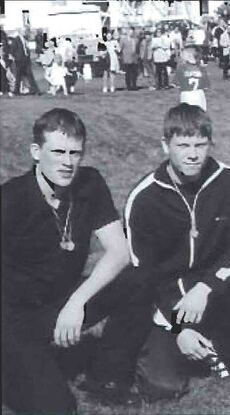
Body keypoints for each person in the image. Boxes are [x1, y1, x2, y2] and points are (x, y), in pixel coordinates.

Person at [1, 108, 151, 413]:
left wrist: (76, 302)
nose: (68, 162)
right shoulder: (10, 199)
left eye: (75, 153)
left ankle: (107, 378)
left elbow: (119, 252)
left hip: (62, 299)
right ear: (36, 152)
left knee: (138, 280)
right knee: (57, 408)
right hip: (14, 316)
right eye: (58, 152)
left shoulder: (89, 183)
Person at [124, 103, 230, 400]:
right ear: (165, 145)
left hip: (212, 288)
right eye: (183, 145)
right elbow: (143, 276)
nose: (192, 154)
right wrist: (179, 328)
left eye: (200, 145)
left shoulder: (227, 180)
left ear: (210, 144)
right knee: (162, 388)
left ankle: (219, 338)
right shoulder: (145, 197)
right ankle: (175, 343)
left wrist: (205, 287)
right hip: (165, 300)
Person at [174, 45, 210, 110]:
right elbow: (206, 86)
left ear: (189, 55)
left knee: (187, 114)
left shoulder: (181, 68)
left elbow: (177, 84)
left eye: (184, 53)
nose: (181, 55)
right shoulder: (202, 68)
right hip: (199, 95)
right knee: (200, 113)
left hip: (186, 95)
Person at [8, 28, 41, 95]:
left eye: (25, 31)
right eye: (23, 31)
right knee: (18, 77)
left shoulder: (25, 39)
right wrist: (15, 59)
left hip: (26, 61)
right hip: (19, 61)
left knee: (30, 76)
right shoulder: (16, 40)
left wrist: (28, 56)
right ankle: (16, 91)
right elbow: (11, 51)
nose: (25, 32)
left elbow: (26, 49)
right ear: (20, 32)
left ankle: (36, 91)